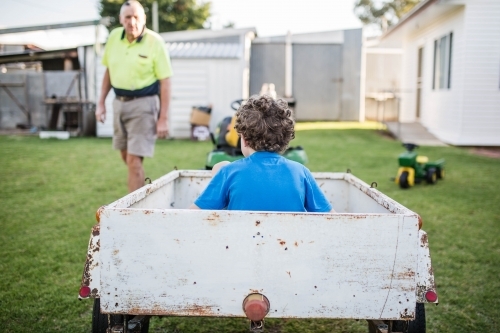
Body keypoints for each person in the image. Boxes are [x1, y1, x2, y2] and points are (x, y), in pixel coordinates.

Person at [190, 95, 335, 213]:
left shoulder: (229, 172)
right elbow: (331, 218)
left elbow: (192, 215)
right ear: (285, 140)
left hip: (240, 246)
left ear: (244, 140)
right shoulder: (301, 172)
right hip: (290, 246)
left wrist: (218, 174)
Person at [95, 0, 173, 193]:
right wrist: (101, 103)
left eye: (136, 17)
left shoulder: (155, 42)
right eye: (128, 17)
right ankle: (144, 193)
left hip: (144, 105)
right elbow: (108, 72)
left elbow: (166, 82)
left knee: (133, 159)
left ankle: (132, 212)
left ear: (143, 18)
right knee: (127, 157)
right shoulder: (113, 37)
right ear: (121, 19)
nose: (132, 22)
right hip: (119, 103)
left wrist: (163, 118)